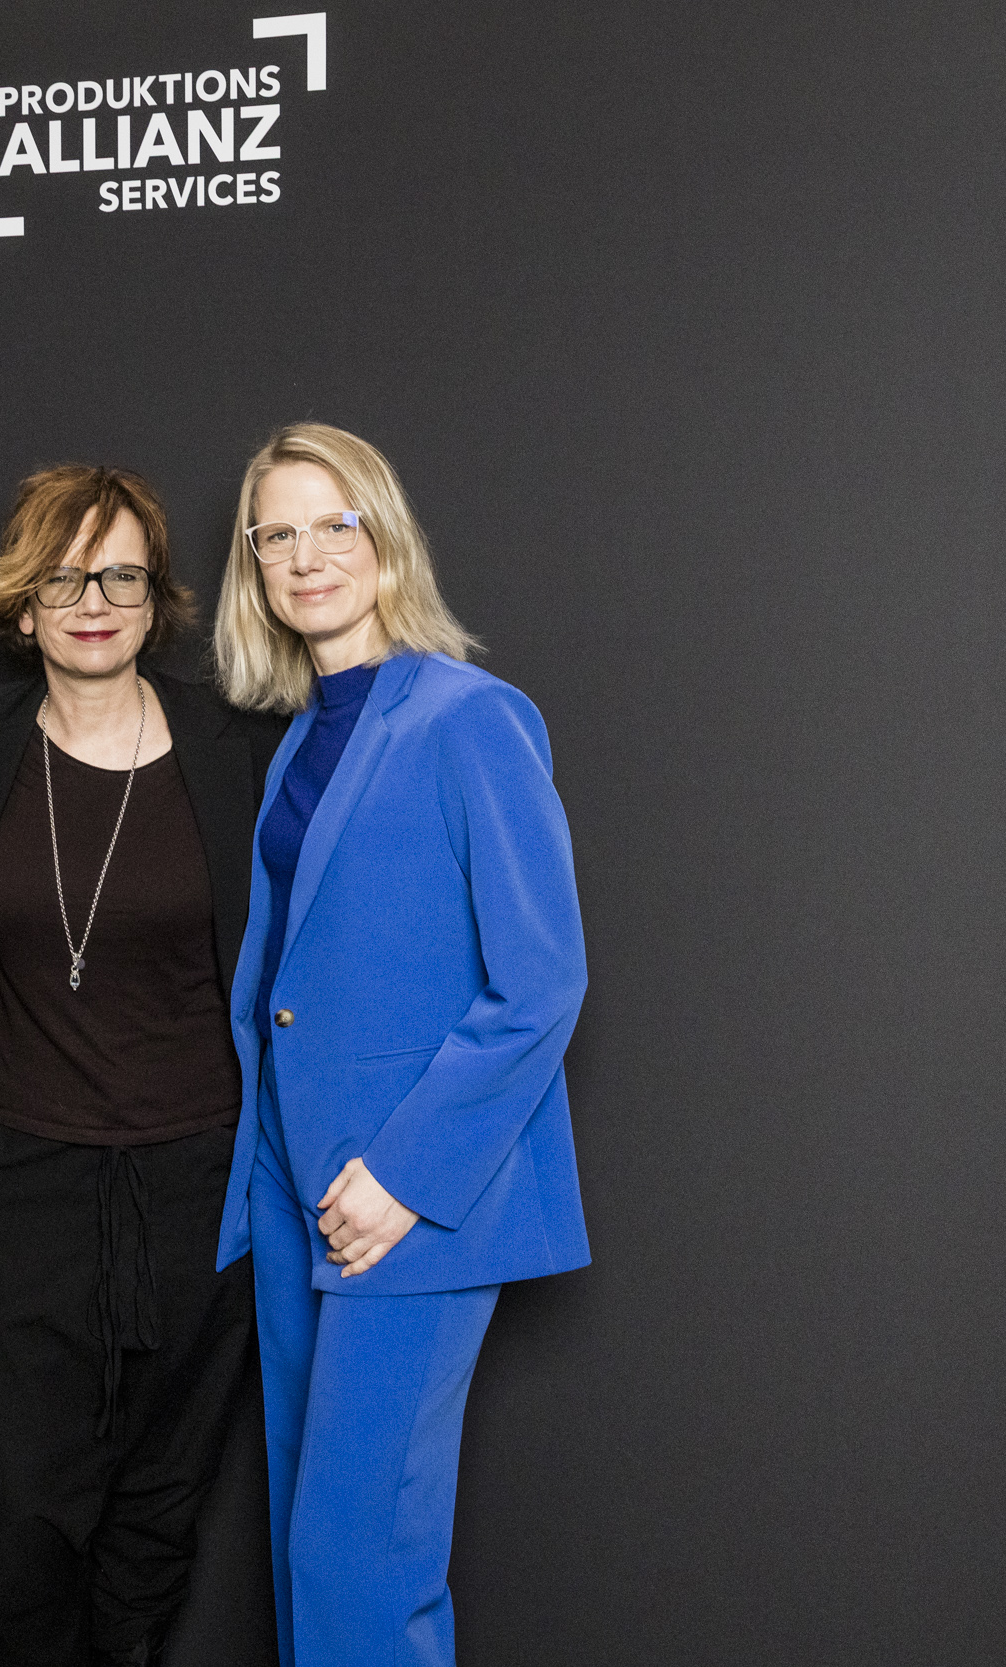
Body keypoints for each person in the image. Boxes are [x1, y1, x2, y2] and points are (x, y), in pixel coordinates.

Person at [209, 424, 591, 1667]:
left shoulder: (471, 717)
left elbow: (541, 979)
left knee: (357, 1551)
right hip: (292, 1179)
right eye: (276, 532)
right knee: (301, 1535)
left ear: (385, 538)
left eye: (335, 524)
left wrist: (407, 1178)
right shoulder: (300, 736)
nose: (306, 555)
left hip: (407, 1195)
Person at [0, 467, 285, 1667]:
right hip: (14, 1179)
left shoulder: (235, 751)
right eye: (65, 577)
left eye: (121, 575)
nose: (94, 602)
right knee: (26, 1512)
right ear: (22, 601)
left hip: (199, 1178)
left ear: (156, 597)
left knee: (161, 1494)